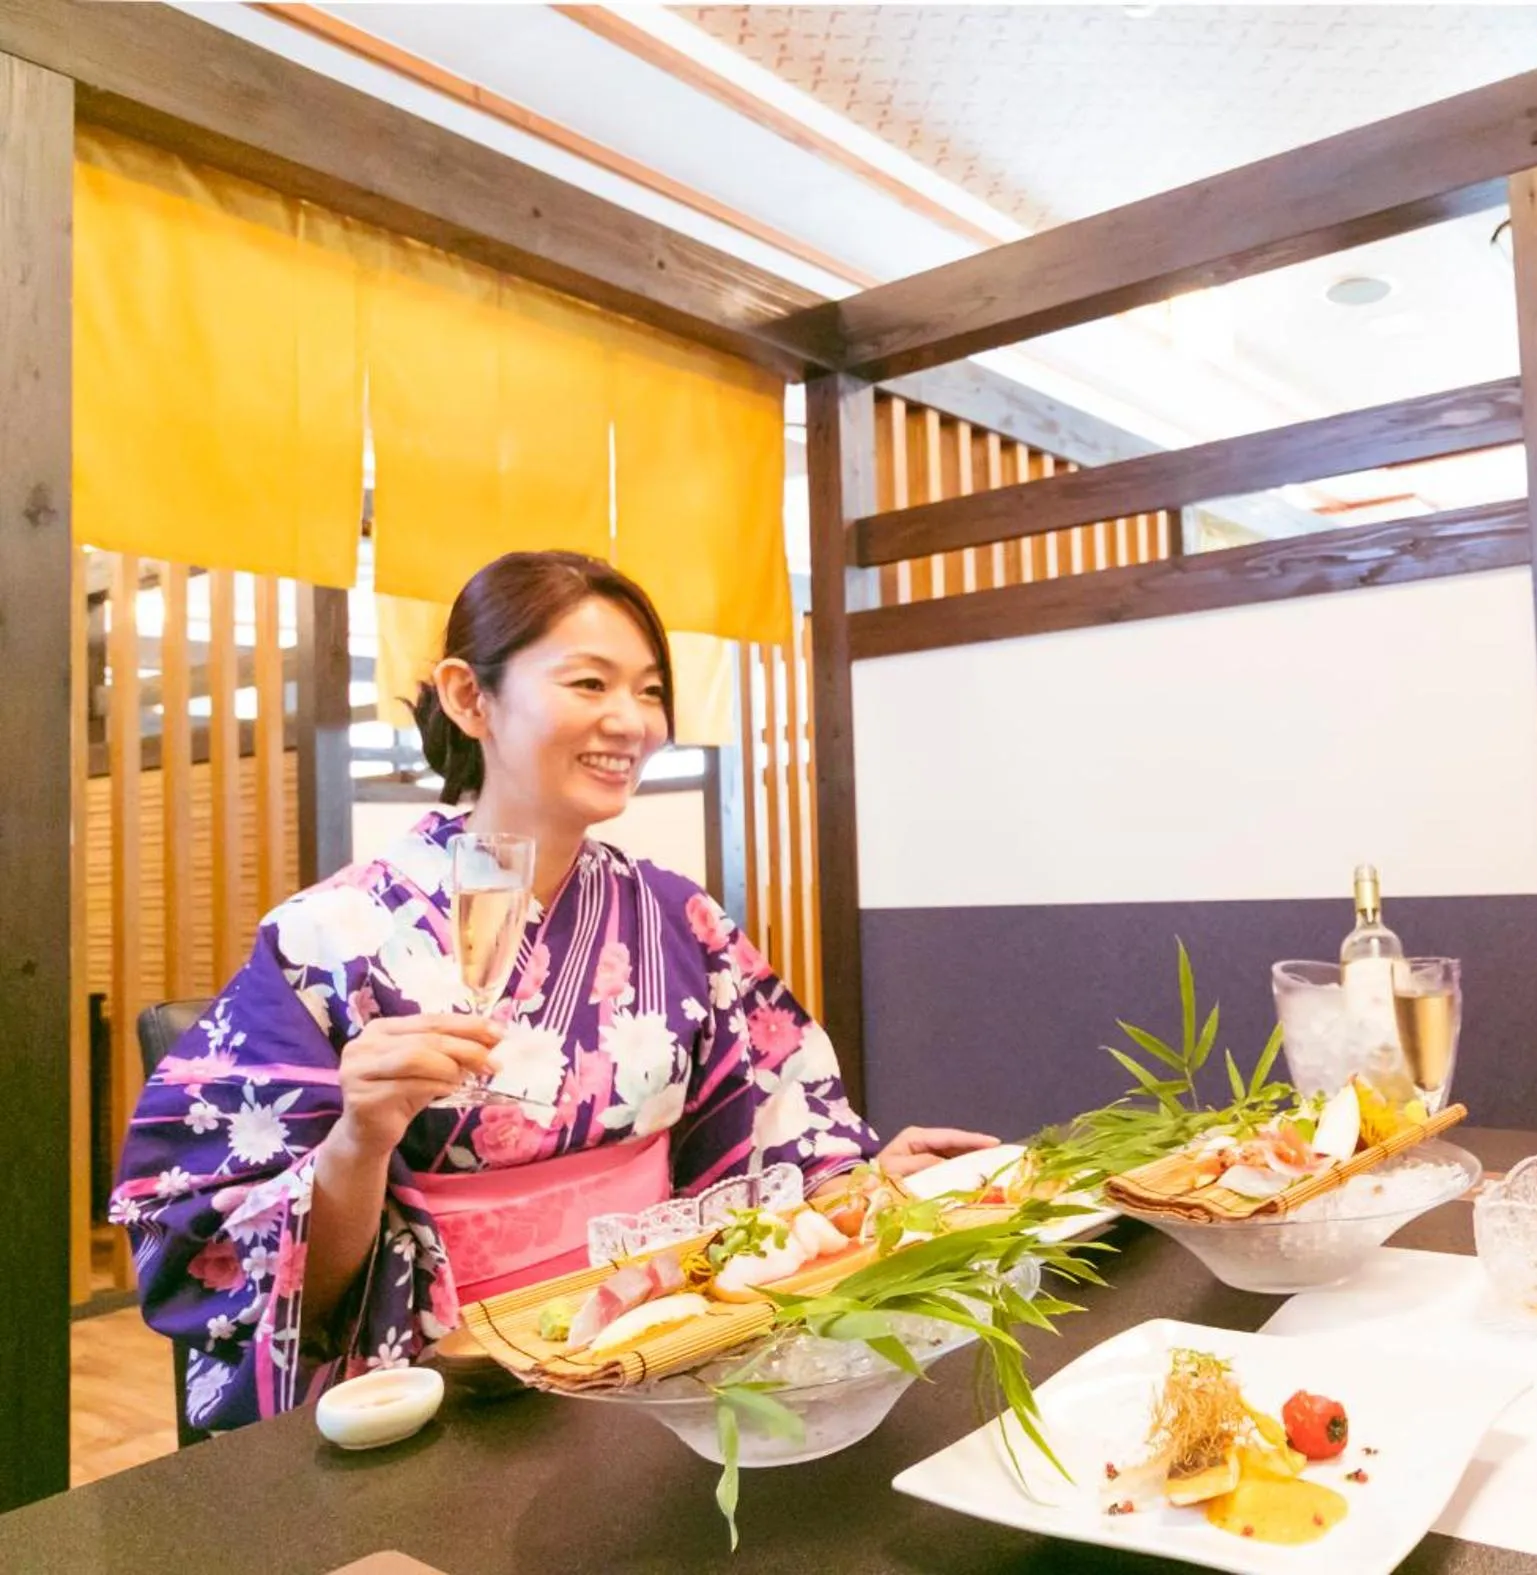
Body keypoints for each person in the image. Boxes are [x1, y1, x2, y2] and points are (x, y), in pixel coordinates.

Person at [111, 551, 994, 1431]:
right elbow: (209, 1245)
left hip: (662, 1358)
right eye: (589, 682)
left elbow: (776, 1136)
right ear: (469, 696)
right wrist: (358, 1140)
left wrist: (866, 1184)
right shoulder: (329, 935)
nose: (631, 722)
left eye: (649, 692)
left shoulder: (677, 918)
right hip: (449, 1383)